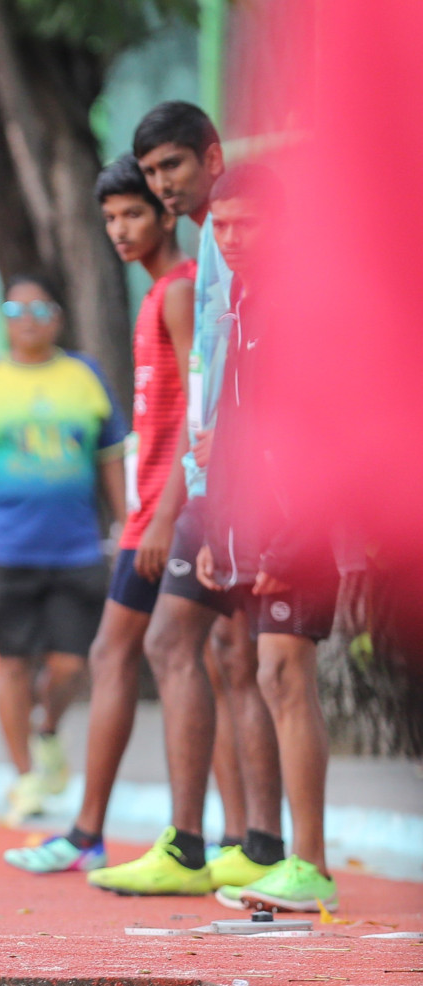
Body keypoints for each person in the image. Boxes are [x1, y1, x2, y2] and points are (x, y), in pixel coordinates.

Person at [88, 102, 284, 899]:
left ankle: (207, 843)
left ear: (212, 156)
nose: (164, 184)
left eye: (172, 167)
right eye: (153, 171)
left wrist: (174, 508)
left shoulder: (232, 250)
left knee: (183, 646)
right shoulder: (211, 249)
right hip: (213, 485)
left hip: (245, 486)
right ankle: (249, 843)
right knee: (229, 656)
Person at [4, 155, 198, 871]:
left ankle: (198, 840)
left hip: (171, 513)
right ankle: (97, 834)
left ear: (166, 215)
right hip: (151, 511)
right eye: (111, 217)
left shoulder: (179, 293)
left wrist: (167, 514)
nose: (119, 229)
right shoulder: (154, 297)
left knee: (171, 656)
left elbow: (197, 414)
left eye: (134, 215)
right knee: (121, 654)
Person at [193, 164, 340, 912]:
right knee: (266, 674)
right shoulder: (240, 301)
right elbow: (232, 431)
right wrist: (222, 529)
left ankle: (309, 861)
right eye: (221, 227)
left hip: (303, 523)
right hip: (254, 526)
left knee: (284, 675)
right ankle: (291, 857)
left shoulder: (305, 302)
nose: (233, 238)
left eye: (247, 223)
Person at [0, 276, 128, 826]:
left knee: (70, 664)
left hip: (75, 547)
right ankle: (24, 777)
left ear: (57, 318)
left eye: (42, 309)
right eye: (17, 309)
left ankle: (45, 730)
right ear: (4, 318)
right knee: (12, 661)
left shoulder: (84, 376)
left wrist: (129, 522)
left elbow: (111, 451)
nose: (30, 319)